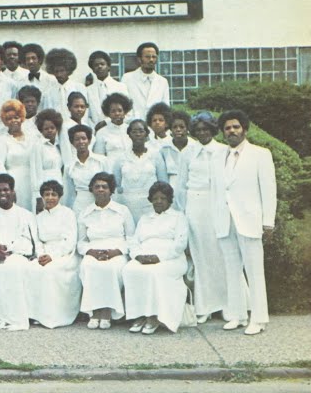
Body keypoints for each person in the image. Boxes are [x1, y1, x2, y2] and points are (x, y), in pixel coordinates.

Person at [214, 109, 277, 336]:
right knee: (232, 271)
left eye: (236, 127)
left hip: (250, 220)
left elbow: (269, 189)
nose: (231, 131)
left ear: (245, 129)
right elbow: (216, 190)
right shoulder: (217, 156)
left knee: (254, 271)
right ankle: (238, 315)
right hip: (225, 221)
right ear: (223, 132)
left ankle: (258, 319)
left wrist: (268, 222)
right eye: (227, 128)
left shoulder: (260, 154)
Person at [174, 111, 229, 325]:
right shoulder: (187, 153)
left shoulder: (223, 151)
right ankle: (205, 306)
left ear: (213, 130)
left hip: (217, 205)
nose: (202, 133)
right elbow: (181, 187)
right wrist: (184, 212)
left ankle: (227, 304)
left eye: (206, 129)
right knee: (201, 258)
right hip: (195, 207)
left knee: (221, 255)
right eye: (198, 130)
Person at [122, 182, 189, 335]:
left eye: (163, 198)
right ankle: (139, 315)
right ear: (150, 200)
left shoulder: (178, 217)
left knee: (154, 273)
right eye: (155, 198)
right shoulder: (145, 218)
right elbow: (134, 241)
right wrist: (138, 256)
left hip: (171, 259)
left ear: (169, 200)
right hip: (145, 256)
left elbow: (180, 244)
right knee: (129, 270)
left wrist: (159, 257)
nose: (158, 201)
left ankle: (153, 317)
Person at [0, 173, 38, 331]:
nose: (2, 193)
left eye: (6, 190)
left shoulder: (25, 215)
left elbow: (28, 244)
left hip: (16, 255)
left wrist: (7, 248)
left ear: (13, 191)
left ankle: (15, 318)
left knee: (12, 268)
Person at [77, 171, 134, 329]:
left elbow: (131, 238)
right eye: (97, 187)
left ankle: (107, 311)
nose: (101, 189)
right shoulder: (85, 213)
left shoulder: (122, 210)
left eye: (104, 187)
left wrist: (116, 251)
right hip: (93, 249)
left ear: (111, 190)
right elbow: (81, 242)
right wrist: (91, 252)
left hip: (117, 250)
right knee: (88, 266)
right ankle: (94, 311)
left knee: (111, 268)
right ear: (92, 190)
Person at [27, 179, 81, 328]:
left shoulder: (68, 214)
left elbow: (70, 241)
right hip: (44, 254)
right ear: (42, 196)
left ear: (60, 196)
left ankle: (54, 316)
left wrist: (53, 256)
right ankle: (35, 314)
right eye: (47, 194)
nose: (50, 198)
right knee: (31, 269)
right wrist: (40, 255)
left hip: (65, 254)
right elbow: (37, 241)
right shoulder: (38, 217)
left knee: (50, 271)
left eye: (54, 194)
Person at [112, 119, 170, 224]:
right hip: (128, 204)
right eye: (134, 132)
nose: (138, 134)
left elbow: (163, 182)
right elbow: (117, 185)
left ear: (146, 134)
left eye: (141, 131)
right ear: (129, 135)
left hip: (151, 204)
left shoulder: (155, 156)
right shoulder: (121, 158)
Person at [0, 99, 42, 214]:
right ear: (5, 121)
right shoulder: (2, 140)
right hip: (14, 184)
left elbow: (37, 162)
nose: (13, 121)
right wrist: (9, 188)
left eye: (16, 117)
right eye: (9, 119)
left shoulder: (32, 138)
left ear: (22, 118)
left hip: (31, 182)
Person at [63, 124, 109, 212]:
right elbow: (69, 192)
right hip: (80, 205)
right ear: (72, 142)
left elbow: (110, 185)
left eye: (84, 138)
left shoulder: (102, 161)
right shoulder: (69, 165)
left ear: (89, 140)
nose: (81, 142)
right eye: (77, 139)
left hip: (100, 202)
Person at [120, 42, 171, 117]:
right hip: (133, 122)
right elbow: (123, 105)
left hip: (154, 123)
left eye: (154, 57)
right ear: (139, 59)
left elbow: (165, 108)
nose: (151, 60)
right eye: (147, 57)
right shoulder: (127, 78)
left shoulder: (163, 82)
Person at [151, 108, 197, 190]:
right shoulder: (164, 149)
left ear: (187, 129)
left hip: (191, 189)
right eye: (175, 127)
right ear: (171, 130)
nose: (178, 129)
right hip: (171, 190)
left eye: (182, 127)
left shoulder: (195, 147)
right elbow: (162, 176)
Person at [83, 51, 127, 128]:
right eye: (96, 65)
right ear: (93, 69)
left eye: (102, 64)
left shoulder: (120, 87)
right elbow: (86, 114)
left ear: (108, 67)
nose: (99, 67)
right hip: (95, 130)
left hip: (116, 128)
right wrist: (94, 128)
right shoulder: (87, 90)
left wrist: (107, 122)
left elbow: (127, 112)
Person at [34, 109, 66, 211]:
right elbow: (35, 172)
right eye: (46, 128)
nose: (50, 130)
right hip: (45, 187)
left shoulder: (58, 146)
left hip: (59, 185)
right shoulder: (38, 146)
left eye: (52, 128)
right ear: (41, 130)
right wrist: (38, 196)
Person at [92, 92, 133, 160]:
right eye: (113, 111)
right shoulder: (101, 133)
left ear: (125, 112)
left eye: (120, 110)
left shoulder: (131, 130)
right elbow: (99, 157)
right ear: (108, 114)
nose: (117, 113)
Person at [40, 47, 81, 114]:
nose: (59, 74)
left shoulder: (78, 88)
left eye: (62, 71)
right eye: (56, 71)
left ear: (68, 70)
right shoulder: (48, 92)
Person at [59, 91, 92, 168]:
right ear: (69, 108)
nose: (79, 109)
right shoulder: (65, 127)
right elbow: (65, 151)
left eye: (82, 107)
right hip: (74, 165)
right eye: (76, 106)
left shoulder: (87, 126)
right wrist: (69, 168)